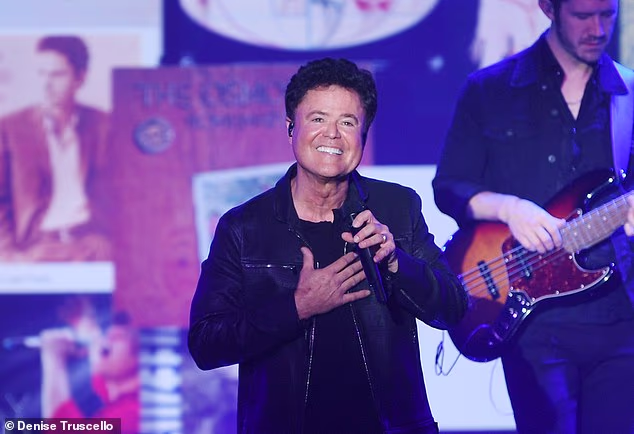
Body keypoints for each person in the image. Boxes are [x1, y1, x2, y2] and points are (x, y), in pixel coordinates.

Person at [189, 57, 467, 434]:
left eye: (347, 122)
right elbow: (206, 344)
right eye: (318, 118)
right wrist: (296, 307)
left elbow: (453, 308)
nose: (332, 134)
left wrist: (396, 262)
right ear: (291, 127)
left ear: (363, 135)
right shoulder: (244, 227)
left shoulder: (397, 208)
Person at [433, 0, 634, 432]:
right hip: (531, 320)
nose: (598, 29)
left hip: (619, 315)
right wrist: (510, 208)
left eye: (608, 14)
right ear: (549, 8)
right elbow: (449, 187)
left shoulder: (629, 94)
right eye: (583, 15)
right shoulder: (489, 89)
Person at [0, 35, 111, 262]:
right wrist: (8, 254)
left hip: (91, 246)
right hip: (36, 248)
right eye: (41, 73)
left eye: (57, 75)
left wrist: (109, 240)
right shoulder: (9, 128)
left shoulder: (104, 125)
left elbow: (124, 194)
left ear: (80, 78)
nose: (46, 84)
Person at [40, 306, 139, 434]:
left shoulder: (132, 415)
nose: (110, 334)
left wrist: (54, 358)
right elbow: (103, 383)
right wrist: (92, 340)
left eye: (123, 335)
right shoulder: (125, 400)